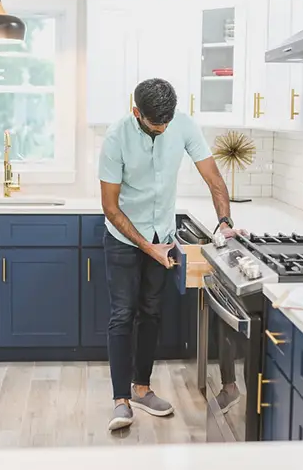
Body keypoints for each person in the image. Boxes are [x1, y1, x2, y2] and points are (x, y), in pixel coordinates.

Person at [99, 78, 243, 431]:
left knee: (150, 312)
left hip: (160, 231)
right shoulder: (116, 137)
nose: (163, 129)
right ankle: (121, 401)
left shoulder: (182, 125)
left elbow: (214, 179)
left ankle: (143, 389)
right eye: (155, 125)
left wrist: (224, 221)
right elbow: (110, 207)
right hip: (123, 236)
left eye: (167, 122)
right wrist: (151, 249)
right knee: (122, 314)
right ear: (137, 113)